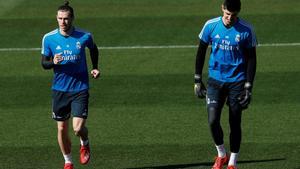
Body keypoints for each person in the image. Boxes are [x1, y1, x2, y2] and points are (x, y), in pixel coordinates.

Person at [194, 0, 257, 169]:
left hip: (237, 82)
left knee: (234, 121)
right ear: (222, 9)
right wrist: (197, 80)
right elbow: (201, 51)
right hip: (215, 81)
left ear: (238, 13)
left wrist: (248, 87)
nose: (230, 18)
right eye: (227, 14)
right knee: (213, 120)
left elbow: (252, 59)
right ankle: (222, 154)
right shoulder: (211, 25)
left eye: (234, 15)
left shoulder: (246, 29)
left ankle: (232, 163)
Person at [41, 1, 100, 169]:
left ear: (72, 18)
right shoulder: (49, 38)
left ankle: (85, 141)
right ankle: (68, 161)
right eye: (60, 18)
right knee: (61, 129)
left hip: (80, 87)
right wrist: (53, 61)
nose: (63, 22)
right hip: (59, 89)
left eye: (66, 19)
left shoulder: (84, 35)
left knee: (77, 127)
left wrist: (95, 67)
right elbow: (44, 63)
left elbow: (94, 49)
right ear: (56, 18)